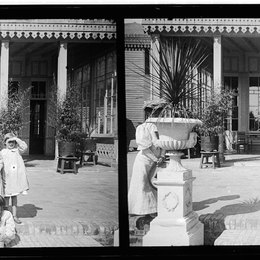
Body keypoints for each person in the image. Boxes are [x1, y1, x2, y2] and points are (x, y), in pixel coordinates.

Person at [128, 118, 165, 216]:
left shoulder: (161, 127)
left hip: (154, 162)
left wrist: (161, 156)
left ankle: (152, 208)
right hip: (144, 160)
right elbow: (145, 149)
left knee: (151, 184)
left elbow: (164, 145)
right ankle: (139, 210)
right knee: (141, 183)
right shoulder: (144, 128)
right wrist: (156, 159)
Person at [0, 133, 29, 224]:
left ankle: (14, 216)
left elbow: (24, 147)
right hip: (7, 179)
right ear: (5, 143)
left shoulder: (17, 151)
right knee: (6, 199)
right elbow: (0, 162)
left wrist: (16, 139)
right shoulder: (3, 152)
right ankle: (6, 216)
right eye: (9, 142)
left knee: (14, 198)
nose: (11, 144)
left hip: (15, 179)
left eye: (13, 142)